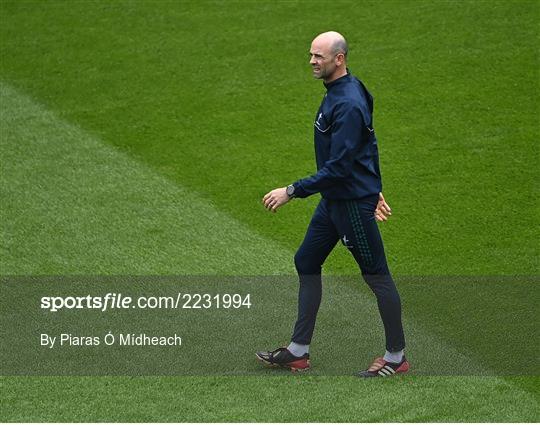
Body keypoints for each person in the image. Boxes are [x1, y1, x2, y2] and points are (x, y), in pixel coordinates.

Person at [256, 31, 408, 378]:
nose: (312, 61)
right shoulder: (345, 91)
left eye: (318, 56)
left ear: (339, 59)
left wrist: (292, 191)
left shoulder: (349, 103)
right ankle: (298, 351)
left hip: (351, 204)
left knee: (377, 277)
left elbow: (339, 167)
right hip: (337, 199)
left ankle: (396, 356)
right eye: (311, 55)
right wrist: (375, 184)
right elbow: (368, 144)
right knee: (306, 260)